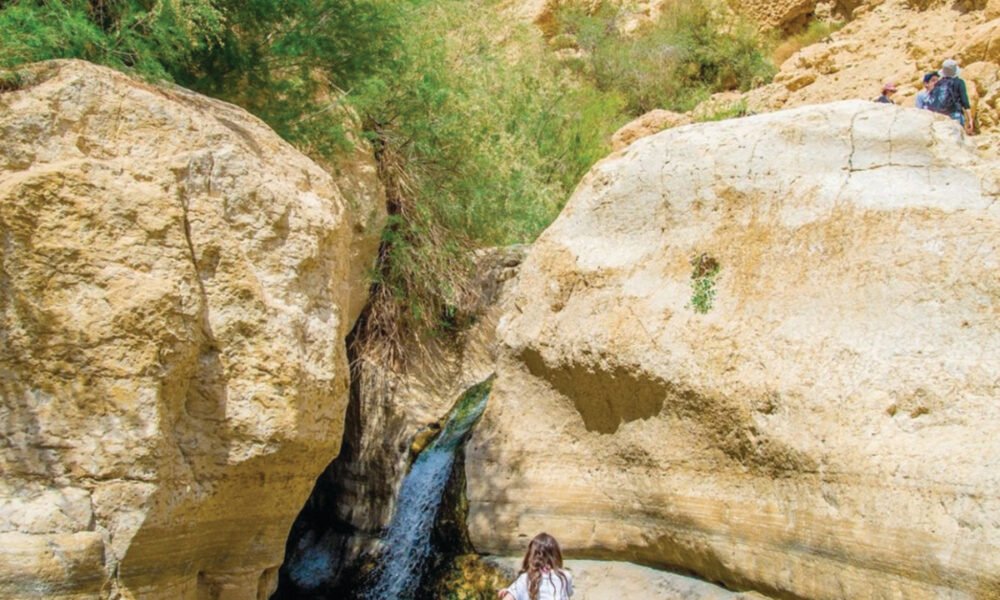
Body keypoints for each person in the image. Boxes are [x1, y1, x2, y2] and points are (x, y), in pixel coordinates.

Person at [498, 533, 573, 600]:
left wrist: (512, 592)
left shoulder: (525, 579)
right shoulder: (564, 576)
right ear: (556, 555)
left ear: (530, 556)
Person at [927, 58, 974, 134]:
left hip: (940, 117)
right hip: (955, 115)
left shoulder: (938, 83)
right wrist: (970, 119)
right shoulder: (959, 82)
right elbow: (965, 102)